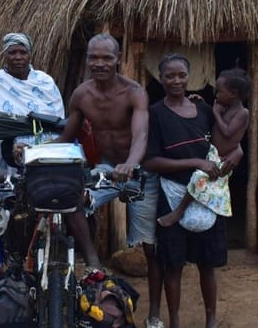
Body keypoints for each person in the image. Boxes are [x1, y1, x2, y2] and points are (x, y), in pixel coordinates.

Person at [54, 33, 165, 328]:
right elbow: (68, 135)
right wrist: (35, 150)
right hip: (105, 169)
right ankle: (93, 262)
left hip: (138, 172)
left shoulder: (134, 92)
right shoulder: (82, 95)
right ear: (87, 58)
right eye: (94, 57)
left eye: (106, 58)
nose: (99, 63)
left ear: (118, 59)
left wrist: (130, 163)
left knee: (151, 246)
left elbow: (140, 134)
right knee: (73, 201)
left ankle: (154, 312)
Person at [142, 54, 243, 328]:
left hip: (207, 196)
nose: (176, 81)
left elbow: (227, 141)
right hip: (172, 192)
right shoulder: (155, 114)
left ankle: (211, 320)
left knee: (206, 264)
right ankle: (174, 320)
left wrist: (239, 151)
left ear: (190, 77)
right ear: (160, 79)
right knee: (173, 264)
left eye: (181, 75)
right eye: (170, 76)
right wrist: (195, 161)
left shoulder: (205, 110)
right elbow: (150, 161)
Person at [0, 32, 65, 178]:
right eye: (12, 52)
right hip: (4, 154)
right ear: (4, 55)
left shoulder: (45, 83)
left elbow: (58, 121)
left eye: (23, 52)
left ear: (30, 55)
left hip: (44, 151)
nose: (18, 57)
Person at [157, 68, 249, 228]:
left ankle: (178, 211)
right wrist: (204, 104)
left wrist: (216, 112)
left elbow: (227, 132)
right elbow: (215, 124)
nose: (217, 95)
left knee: (199, 178)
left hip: (222, 157)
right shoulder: (226, 107)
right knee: (201, 179)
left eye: (219, 92)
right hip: (213, 153)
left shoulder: (243, 113)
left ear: (233, 93)